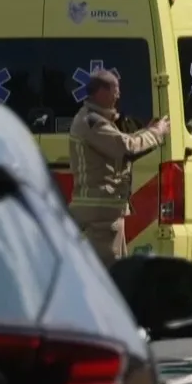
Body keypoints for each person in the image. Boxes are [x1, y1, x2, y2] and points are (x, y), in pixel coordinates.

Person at [68, 70, 170, 265]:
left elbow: (124, 145)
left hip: (107, 213)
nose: (119, 95)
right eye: (115, 90)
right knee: (108, 277)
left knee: (117, 272)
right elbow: (126, 148)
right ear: (101, 92)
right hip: (100, 215)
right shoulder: (92, 122)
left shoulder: (96, 120)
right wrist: (156, 133)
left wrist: (148, 132)